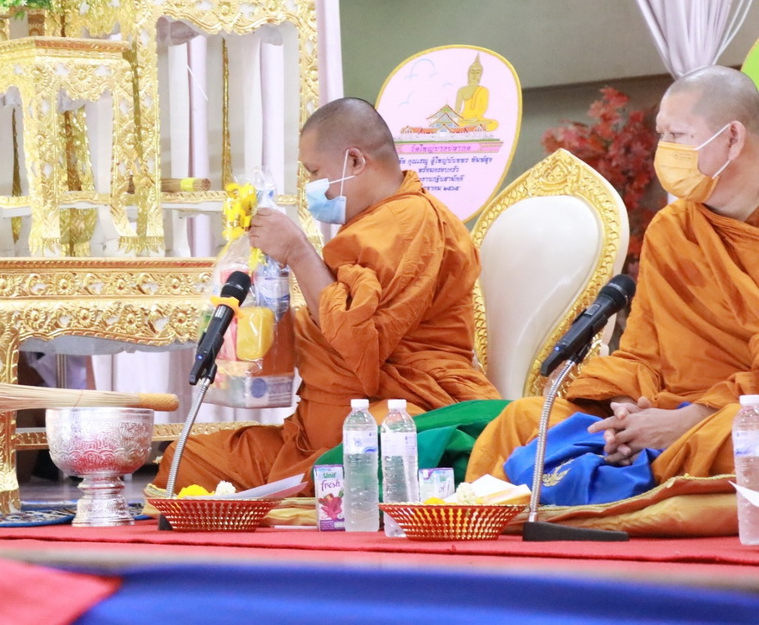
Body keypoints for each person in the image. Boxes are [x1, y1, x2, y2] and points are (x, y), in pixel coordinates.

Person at [153, 98, 500, 494]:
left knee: (377, 447)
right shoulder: (373, 222)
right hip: (313, 437)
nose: (311, 187)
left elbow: (357, 342)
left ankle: (319, 488)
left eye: (315, 172)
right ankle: (309, 485)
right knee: (187, 460)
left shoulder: (409, 220)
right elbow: (335, 319)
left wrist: (298, 251)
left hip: (399, 412)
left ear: (355, 160)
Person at [467, 66, 759, 499]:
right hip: (663, 411)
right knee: (521, 421)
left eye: (678, 136)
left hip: (732, 415)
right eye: (661, 135)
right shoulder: (674, 229)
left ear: (732, 138)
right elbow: (643, 350)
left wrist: (688, 420)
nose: (665, 150)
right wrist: (622, 412)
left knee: (740, 439)